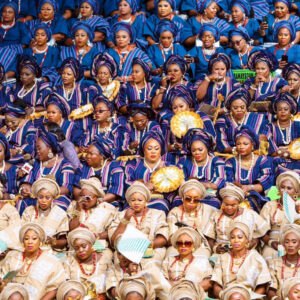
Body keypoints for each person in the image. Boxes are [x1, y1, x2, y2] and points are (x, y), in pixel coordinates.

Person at [109, 181, 169, 269]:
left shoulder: (158, 214)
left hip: (151, 248)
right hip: (126, 249)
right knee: (120, 261)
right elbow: (114, 240)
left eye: (140, 200)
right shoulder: (122, 215)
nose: (136, 203)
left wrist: (144, 246)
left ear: (146, 201)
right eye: (133, 200)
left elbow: (163, 238)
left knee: (150, 263)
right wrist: (125, 219)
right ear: (129, 202)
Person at [0, 223, 67, 300]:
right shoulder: (13, 257)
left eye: (34, 238)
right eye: (26, 238)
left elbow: (54, 288)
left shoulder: (51, 261)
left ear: (40, 241)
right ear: (23, 241)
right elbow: (3, 283)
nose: (30, 242)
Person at [17, 127, 75, 214]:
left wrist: (46, 194)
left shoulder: (65, 164)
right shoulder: (35, 162)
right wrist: (25, 189)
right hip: (36, 197)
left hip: (54, 197)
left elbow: (66, 188)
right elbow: (26, 182)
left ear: (50, 149)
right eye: (36, 149)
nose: (37, 152)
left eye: (39, 148)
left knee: (59, 203)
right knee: (21, 202)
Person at [204, 183, 270, 254]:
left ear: (238, 203)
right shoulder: (216, 215)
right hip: (222, 253)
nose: (229, 208)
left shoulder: (250, 214)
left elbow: (261, 234)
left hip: (246, 253)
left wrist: (251, 244)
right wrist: (216, 248)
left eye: (233, 205)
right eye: (226, 204)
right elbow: (210, 238)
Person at [212, 222, 271, 297]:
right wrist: (223, 296)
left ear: (247, 239)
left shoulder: (255, 257)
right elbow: (216, 285)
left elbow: (262, 286)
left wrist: (250, 298)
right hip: (227, 295)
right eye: (233, 237)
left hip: (250, 296)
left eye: (240, 237)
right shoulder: (223, 258)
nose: (236, 240)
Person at [124, 131, 176, 214]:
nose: (153, 152)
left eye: (156, 148)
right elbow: (127, 182)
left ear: (161, 150)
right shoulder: (133, 165)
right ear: (143, 150)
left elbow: (174, 186)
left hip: (159, 201)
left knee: (160, 207)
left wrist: (160, 188)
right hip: (135, 201)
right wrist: (143, 186)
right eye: (149, 148)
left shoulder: (169, 168)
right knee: (129, 211)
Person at [225, 125, 273, 211]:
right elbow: (228, 182)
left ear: (253, 145)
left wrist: (248, 188)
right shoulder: (231, 162)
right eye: (238, 144)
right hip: (234, 195)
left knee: (249, 204)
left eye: (245, 144)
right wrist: (238, 191)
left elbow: (265, 181)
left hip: (256, 197)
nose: (241, 147)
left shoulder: (263, 160)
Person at [73, 136, 125, 206]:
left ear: (102, 156)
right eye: (87, 153)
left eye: (91, 154)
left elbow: (114, 193)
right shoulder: (82, 167)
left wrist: (95, 202)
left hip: (106, 204)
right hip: (83, 202)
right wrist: (82, 200)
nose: (87, 156)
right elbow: (76, 188)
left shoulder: (115, 169)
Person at [260, 171, 300, 263]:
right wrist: (271, 243)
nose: (284, 190)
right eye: (282, 187)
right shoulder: (270, 205)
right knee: (269, 255)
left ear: (296, 191)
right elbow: (261, 230)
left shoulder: (298, 206)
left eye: (289, 188)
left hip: (295, 244)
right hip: (273, 243)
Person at [215, 88, 269, 154]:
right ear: (230, 108)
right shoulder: (222, 121)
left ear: (246, 107)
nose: (239, 110)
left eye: (242, 107)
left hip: (254, 155)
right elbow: (221, 143)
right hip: (231, 155)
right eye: (235, 108)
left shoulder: (259, 118)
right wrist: (235, 150)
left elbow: (265, 137)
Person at [21, 176, 68, 251]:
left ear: (52, 198)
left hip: (49, 251)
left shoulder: (60, 214)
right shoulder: (29, 211)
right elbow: (22, 233)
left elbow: (63, 241)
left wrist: (53, 242)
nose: (43, 200)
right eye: (40, 197)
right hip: (28, 248)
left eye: (47, 197)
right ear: (36, 196)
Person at [181, 128, 224, 208]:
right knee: (178, 201)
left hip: (209, 195)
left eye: (200, 150)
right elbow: (180, 180)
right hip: (189, 194)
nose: (197, 152)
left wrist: (198, 184)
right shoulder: (184, 161)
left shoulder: (217, 161)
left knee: (214, 203)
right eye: (193, 150)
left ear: (207, 148)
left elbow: (217, 183)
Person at [68, 177, 116, 247]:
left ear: (96, 197)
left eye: (88, 198)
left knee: (99, 256)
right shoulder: (74, 205)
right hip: (77, 245)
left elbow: (112, 231)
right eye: (82, 196)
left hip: (98, 244)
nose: (85, 200)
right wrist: (78, 210)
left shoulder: (107, 208)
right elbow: (72, 229)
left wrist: (97, 236)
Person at [65, 227, 112, 299]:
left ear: (91, 244)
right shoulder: (70, 261)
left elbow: (111, 284)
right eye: (77, 248)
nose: (80, 250)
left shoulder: (105, 258)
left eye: (84, 246)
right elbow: (66, 286)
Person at [53, 58, 90, 132]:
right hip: (60, 124)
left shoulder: (83, 89)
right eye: (63, 73)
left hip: (78, 123)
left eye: (68, 74)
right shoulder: (55, 90)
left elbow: (87, 108)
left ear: (75, 76)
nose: (65, 76)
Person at [268, 224, 300, 298]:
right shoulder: (275, 263)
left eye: (294, 242)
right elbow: (271, 288)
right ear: (283, 243)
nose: (290, 245)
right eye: (287, 242)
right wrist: (275, 298)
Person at [267, 92, 300, 158]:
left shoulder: (298, 126)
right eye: (279, 109)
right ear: (276, 112)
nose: (283, 111)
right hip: (275, 160)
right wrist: (283, 152)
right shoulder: (269, 127)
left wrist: (286, 151)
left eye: (286, 109)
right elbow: (270, 149)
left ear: (291, 111)